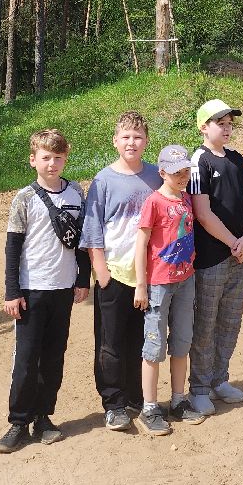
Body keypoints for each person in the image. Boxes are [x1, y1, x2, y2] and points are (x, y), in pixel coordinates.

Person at [0, 128, 91, 453]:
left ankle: (44, 418)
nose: (52, 163)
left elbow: (81, 242)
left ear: (66, 159)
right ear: (33, 159)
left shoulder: (77, 193)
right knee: (26, 359)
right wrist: (13, 291)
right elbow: (13, 247)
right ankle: (18, 421)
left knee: (53, 357)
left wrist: (82, 280)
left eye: (58, 157)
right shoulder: (24, 198)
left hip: (63, 288)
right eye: (46, 157)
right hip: (31, 289)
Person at [80, 110, 161, 433]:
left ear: (146, 142)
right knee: (110, 341)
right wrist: (100, 270)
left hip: (149, 275)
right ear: (115, 141)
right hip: (113, 272)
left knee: (140, 339)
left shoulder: (156, 176)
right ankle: (113, 402)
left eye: (138, 137)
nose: (132, 142)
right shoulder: (103, 180)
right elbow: (92, 228)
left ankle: (136, 396)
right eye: (126, 137)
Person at [186, 98, 243, 416]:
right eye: (220, 123)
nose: (227, 128)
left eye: (230, 123)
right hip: (212, 257)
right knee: (206, 322)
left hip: (238, 254)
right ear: (204, 127)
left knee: (230, 321)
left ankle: (220, 379)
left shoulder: (237, 159)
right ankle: (199, 388)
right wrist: (234, 242)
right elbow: (202, 213)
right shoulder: (198, 161)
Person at [132, 144, 204, 436]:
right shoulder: (154, 202)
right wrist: (141, 284)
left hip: (186, 280)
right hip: (159, 283)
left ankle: (178, 399)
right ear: (162, 172)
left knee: (182, 342)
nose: (182, 176)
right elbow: (142, 242)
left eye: (186, 171)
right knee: (154, 345)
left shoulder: (186, 199)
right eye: (176, 173)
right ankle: (150, 407)